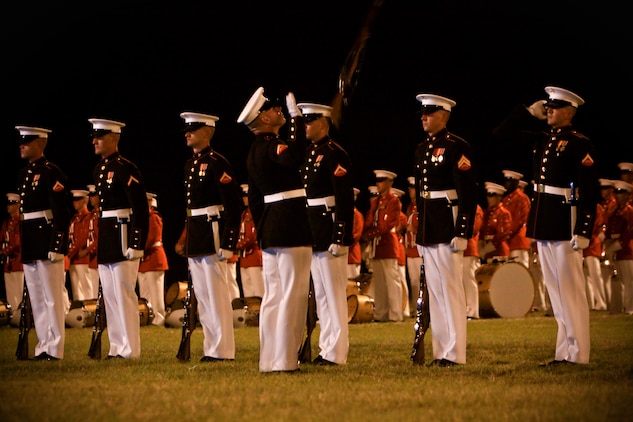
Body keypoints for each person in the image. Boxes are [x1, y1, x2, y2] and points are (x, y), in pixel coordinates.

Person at [494, 86, 600, 366]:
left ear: (569, 112)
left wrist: (584, 229)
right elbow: (500, 134)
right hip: (544, 220)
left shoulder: (579, 143)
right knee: (555, 291)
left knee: (570, 290)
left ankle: (578, 354)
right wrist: (529, 113)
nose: (549, 110)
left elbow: (589, 192)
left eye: (554, 107)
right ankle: (563, 352)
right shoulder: (544, 139)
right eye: (548, 107)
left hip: (566, 221)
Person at [237, 87, 313, 372]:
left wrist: (265, 226)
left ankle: (269, 359)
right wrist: (296, 119)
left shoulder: (254, 151)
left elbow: (255, 201)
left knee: (273, 297)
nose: (278, 110)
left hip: (272, 228)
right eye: (273, 109)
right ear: (264, 120)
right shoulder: (271, 145)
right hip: (291, 226)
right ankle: (284, 361)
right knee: (292, 296)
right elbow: (295, 158)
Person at [412, 93, 478, 367]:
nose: (424, 118)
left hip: (448, 222)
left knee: (450, 290)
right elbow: (420, 195)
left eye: (429, 113)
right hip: (429, 224)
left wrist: (463, 230)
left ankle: (455, 353)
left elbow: (467, 192)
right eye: (422, 114)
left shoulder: (456, 147)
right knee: (435, 291)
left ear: (444, 116)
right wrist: (419, 232)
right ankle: (441, 351)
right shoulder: (421, 149)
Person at [178, 111, 242, 361]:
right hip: (197, 231)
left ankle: (223, 350)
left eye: (192, 130)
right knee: (203, 298)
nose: (187, 134)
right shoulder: (189, 164)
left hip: (213, 231)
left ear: (207, 132)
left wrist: (229, 242)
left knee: (216, 295)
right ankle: (210, 347)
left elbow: (233, 206)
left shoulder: (218, 162)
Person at [297, 101, 354, 365]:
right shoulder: (309, 153)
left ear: (323, 123)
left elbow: (344, 199)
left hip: (329, 226)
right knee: (321, 295)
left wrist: (340, 236)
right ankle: (325, 348)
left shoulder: (334, 154)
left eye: (310, 121)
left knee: (333, 294)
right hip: (313, 229)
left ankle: (337, 352)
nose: (305, 126)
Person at [90, 118, 149, 359]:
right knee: (110, 295)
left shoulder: (126, 168)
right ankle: (116, 346)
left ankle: (130, 349)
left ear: (114, 139)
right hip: (107, 233)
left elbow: (140, 208)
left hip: (124, 233)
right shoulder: (98, 169)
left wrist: (137, 242)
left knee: (124, 293)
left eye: (100, 137)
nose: (94, 141)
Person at [16, 125, 71, 360]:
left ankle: (55, 348)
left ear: (39, 144)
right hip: (30, 239)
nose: (22, 145)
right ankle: (43, 345)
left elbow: (62, 210)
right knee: (37, 298)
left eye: (26, 142)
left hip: (46, 236)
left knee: (52, 297)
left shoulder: (51, 172)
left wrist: (57, 245)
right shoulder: (25, 173)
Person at [362, 170, 403, 322]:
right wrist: (367, 233)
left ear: (389, 183)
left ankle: (395, 314)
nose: (378, 184)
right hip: (376, 247)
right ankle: (381, 313)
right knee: (379, 283)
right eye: (377, 181)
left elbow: (388, 225)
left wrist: (370, 234)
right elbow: (369, 221)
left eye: (381, 181)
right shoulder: (376, 202)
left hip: (387, 244)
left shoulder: (394, 201)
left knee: (392, 282)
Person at [137, 192, 169, 326]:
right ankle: (148, 316)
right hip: (144, 259)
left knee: (155, 291)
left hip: (154, 258)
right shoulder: (143, 218)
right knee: (144, 291)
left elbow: (151, 238)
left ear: (150, 202)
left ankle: (159, 317)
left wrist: (137, 248)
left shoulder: (154, 218)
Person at [603, 180, 633, 315]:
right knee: (616, 280)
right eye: (617, 192)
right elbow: (609, 230)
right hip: (613, 249)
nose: (618, 195)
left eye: (621, 193)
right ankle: (616, 306)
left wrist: (615, 245)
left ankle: (629, 307)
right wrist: (607, 244)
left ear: (627, 195)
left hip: (626, 250)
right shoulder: (615, 212)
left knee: (628, 281)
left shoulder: (629, 211)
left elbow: (628, 233)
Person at [236, 184, 265, 298]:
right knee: (247, 292)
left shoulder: (256, 213)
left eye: (246, 196)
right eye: (243, 196)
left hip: (254, 256)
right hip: (244, 258)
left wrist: (239, 245)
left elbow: (254, 235)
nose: (244, 199)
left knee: (259, 291)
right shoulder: (244, 214)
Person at [67, 189, 95, 301]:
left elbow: (83, 238)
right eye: (74, 200)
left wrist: (70, 252)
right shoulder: (74, 219)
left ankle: (90, 312)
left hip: (82, 257)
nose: (74, 203)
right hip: (73, 258)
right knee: (76, 291)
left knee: (87, 289)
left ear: (84, 201)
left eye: (77, 200)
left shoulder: (88, 217)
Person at [1, 193, 24, 326]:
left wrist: (4, 251)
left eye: (11, 204)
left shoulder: (20, 221)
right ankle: (13, 317)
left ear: (18, 205)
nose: (8, 207)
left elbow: (17, 242)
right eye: (8, 204)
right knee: (11, 291)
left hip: (18, 261)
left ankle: (20, 317)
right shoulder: (6, 222)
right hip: (8, 263)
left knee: (19, 290)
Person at [502, 170, 531, 268]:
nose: (507, 183)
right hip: (508, 243)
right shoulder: (506, 199)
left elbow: (520, 221)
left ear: (516, 183)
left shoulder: (521, 198)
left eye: (510, 181)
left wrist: (507, 234)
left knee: (521, 271)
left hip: (518, 241)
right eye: (506, 181)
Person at [479, 182, 512, 261]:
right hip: (488, 252)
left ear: (499, 197)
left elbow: (502, 234)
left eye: (492, 196)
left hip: (500, 251)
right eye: (488, 196)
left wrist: (487, 248)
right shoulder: (487, 212)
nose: (489, 199)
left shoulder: (503, 213)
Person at [405, 177, 422, 317]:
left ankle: (424, 307)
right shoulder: (410, 208)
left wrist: (415, 230)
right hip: (410, 249)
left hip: (420, 249)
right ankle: (417, 308)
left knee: (422, 281)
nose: (411, 191)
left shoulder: (423, 206)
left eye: (414, 188)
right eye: (410, 188)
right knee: (414, 281)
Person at [463, 204, 483, 319]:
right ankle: (466, 308)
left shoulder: (475, 208)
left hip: (469, 248)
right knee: (462, 281)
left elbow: (475, 227)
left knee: (469, 280)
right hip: (459, 249)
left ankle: (473, 311)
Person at [86, 184, 100, 297]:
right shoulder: (92, 215)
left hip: (99, 254)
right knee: (93, 291)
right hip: (93, 257)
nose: (91, 199)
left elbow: (100, 236)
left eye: (94, 196)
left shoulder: (101, 214)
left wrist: (88, 249)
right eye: (90, 196)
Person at [347, 188, 364, 279]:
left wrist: (344, 246)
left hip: (352, 256)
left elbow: (356, 235)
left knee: (352, 285)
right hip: (344, 256)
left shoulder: (357, 215)